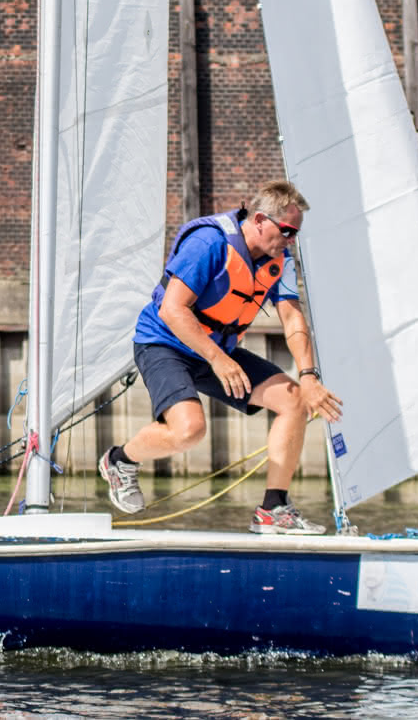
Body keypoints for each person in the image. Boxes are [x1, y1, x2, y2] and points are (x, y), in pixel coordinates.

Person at [99, 180, 343, 534]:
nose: (291, 241)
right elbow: (172, 309)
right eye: (287, 231)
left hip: (216, 350)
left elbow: (291, 317)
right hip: (165, 343)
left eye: (295, 234)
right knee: (190, 431)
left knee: (293, 400)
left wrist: (309, 377)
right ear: (260, 220)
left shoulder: (280, 260)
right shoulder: (208, 243)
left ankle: (273, 510)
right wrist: (217, 358)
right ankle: (119, 461)